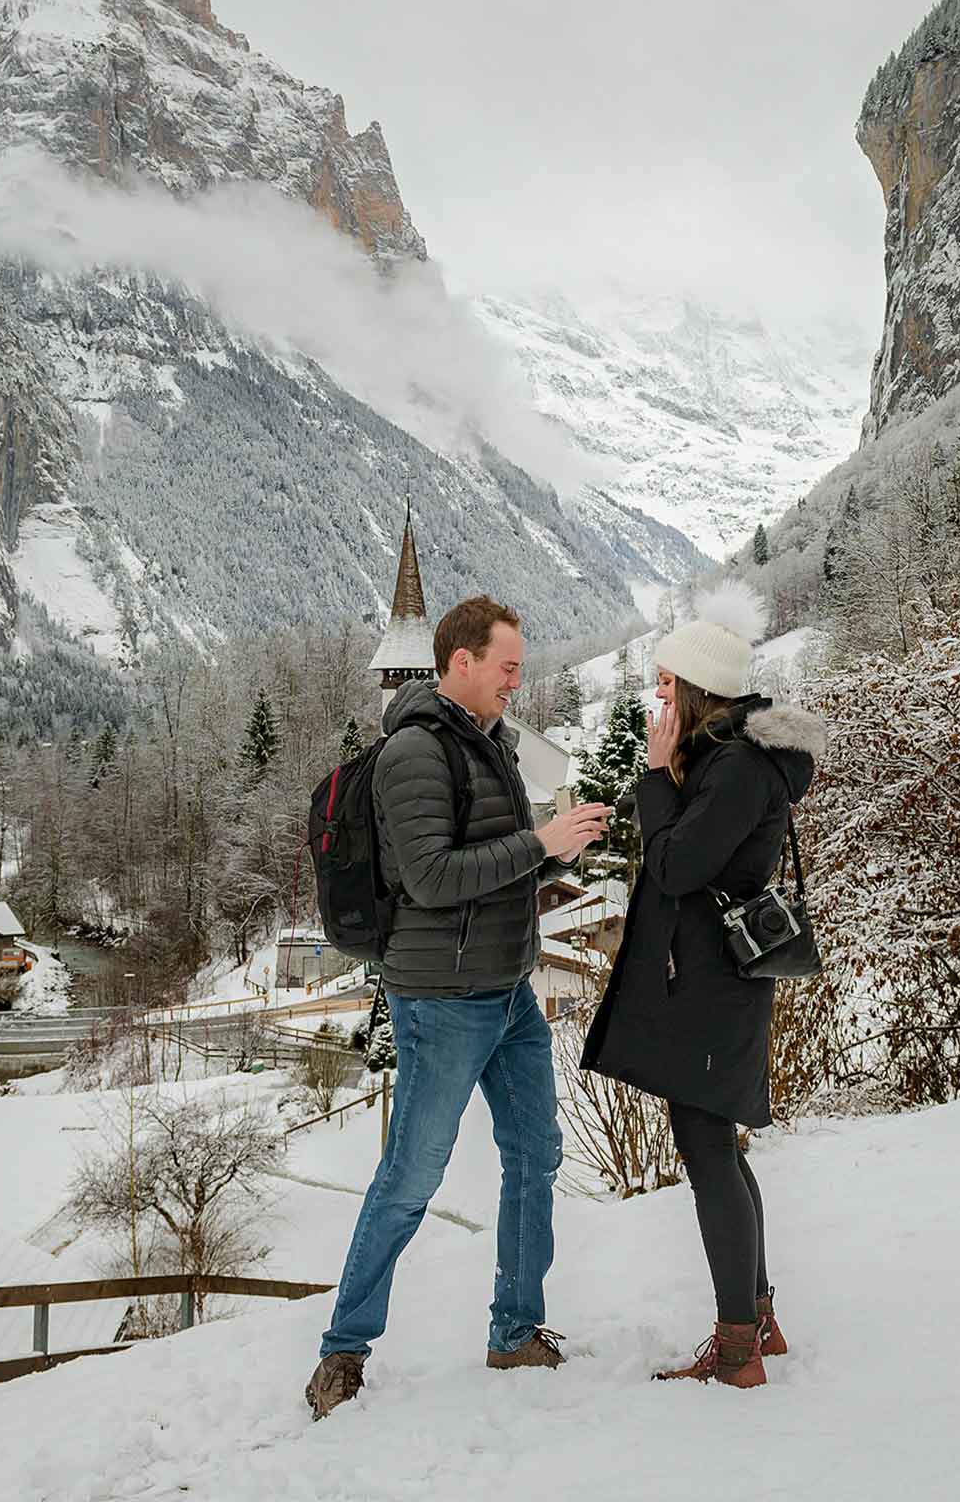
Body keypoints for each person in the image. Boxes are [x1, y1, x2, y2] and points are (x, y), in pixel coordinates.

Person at [305, 595, 612, 1420]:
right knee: (411, 1176)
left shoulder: (492, 747)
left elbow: (494, 867)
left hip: (508, 991)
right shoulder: (413, 752)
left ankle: (515, 1332)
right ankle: (342, 1352)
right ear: (461, 662)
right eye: (507, 667)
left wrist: (559, 852)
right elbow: (435, 878)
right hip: (440, 998)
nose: (518, 681)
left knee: (535, 1153)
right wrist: (540, 845)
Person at [581, 587, 826, 1388]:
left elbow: (678, 865)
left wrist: (656, 778)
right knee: (718, 1148)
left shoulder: (738, 769)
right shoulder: (727, 761)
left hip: (715, 992)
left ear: (692, 691)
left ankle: (735, 1350)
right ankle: (757, 1320)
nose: (655, 696)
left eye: (663, 684)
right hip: (716, 985)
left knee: (709, 1153)